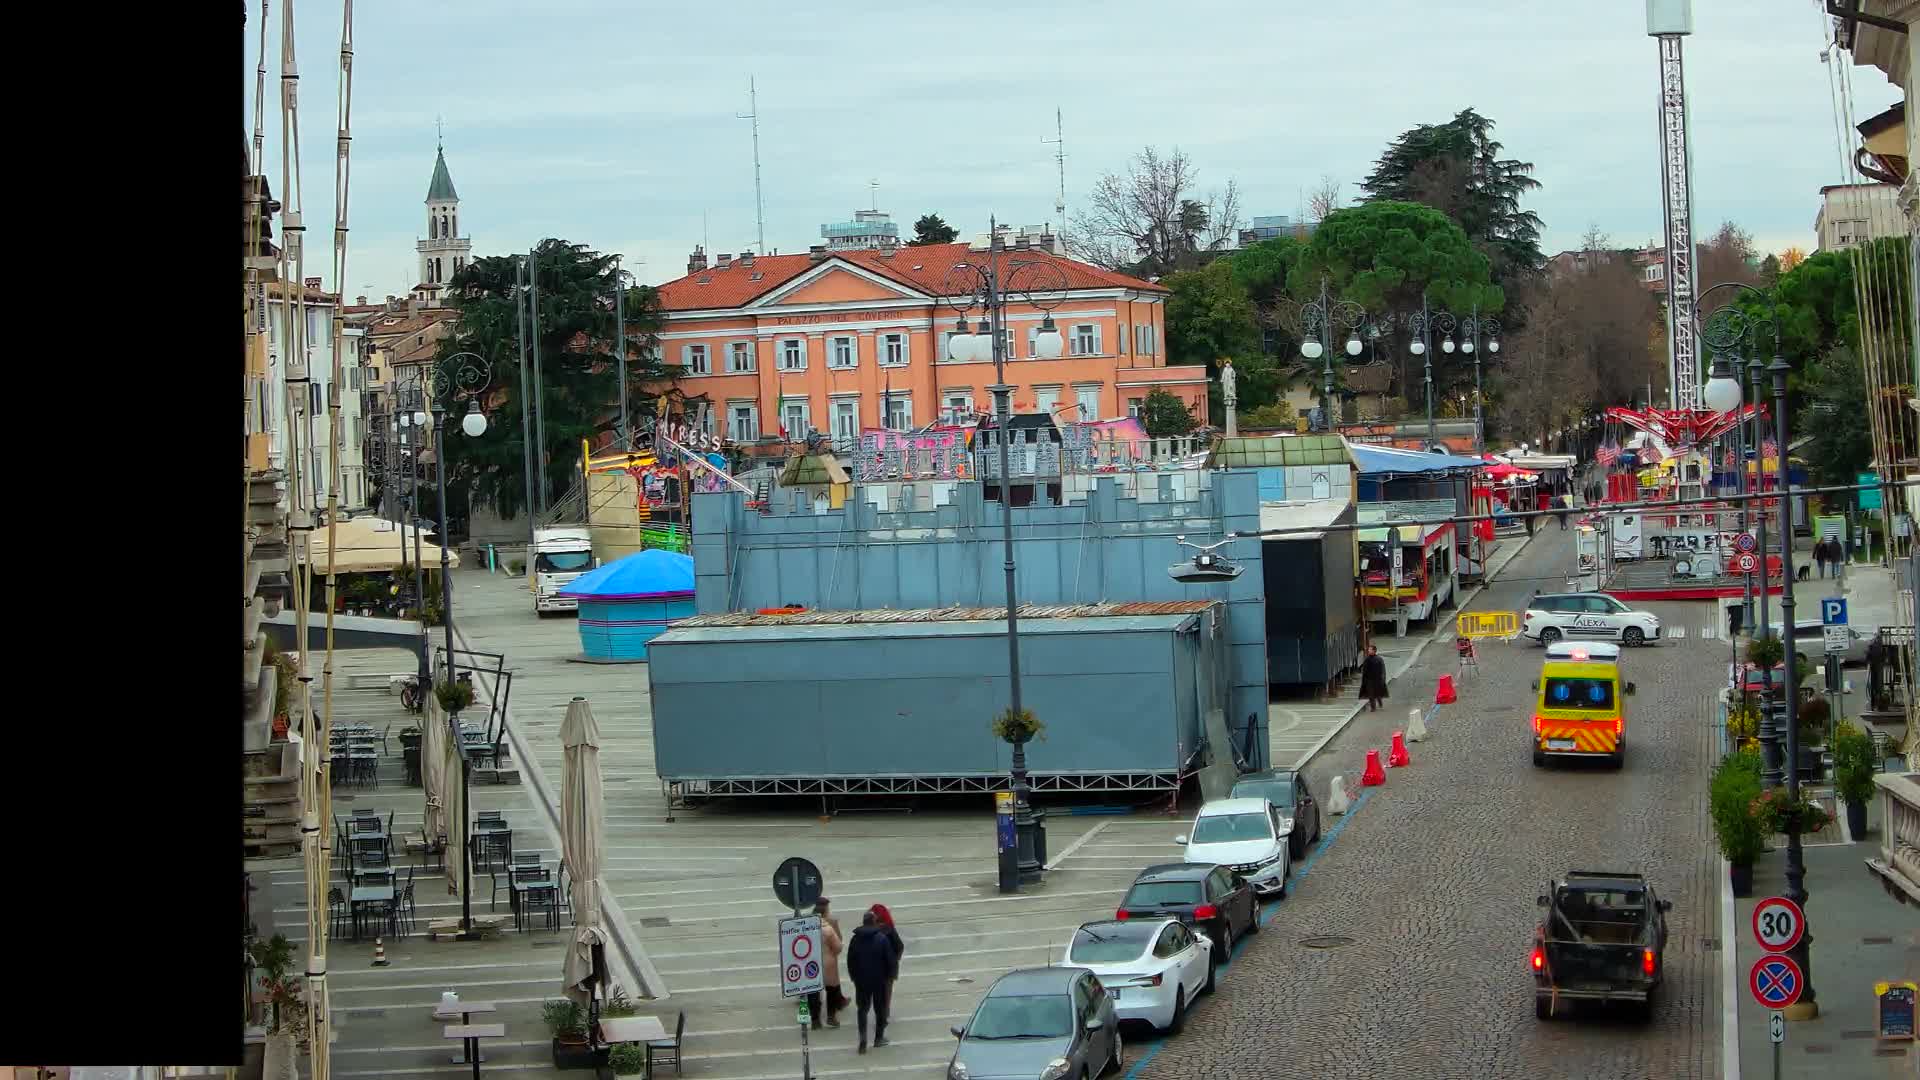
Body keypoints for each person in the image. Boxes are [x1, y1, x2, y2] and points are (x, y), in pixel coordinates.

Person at [846, 911, 899, 1053]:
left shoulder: (855, 939)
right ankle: (878, 1038)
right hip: (879, 981)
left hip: (861, 981)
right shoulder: (881, 939)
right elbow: (890, 960)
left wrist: (854, 977)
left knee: (862, 1009)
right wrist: (890, 976)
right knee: (880, 1009)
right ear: (874, 922)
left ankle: (863, 1039)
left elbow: (850, 960)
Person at [805, 897, 846, 1030]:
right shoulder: (828, 929)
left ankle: (815, 1020)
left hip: (810, 964)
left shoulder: (804, 927)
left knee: (813, 993)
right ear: (825, 912)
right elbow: (838, 947)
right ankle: (831, 1017)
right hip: (828, 964)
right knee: (832, 990)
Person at [868, 904, 905, 1022]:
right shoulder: (889, 929)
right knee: (887, 990)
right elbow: (900, 946)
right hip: (889, 967)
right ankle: (885, 1012)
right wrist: (895, 959)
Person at [1359, 644, 1388, 712]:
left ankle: (1380, 701)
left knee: (1377, 693)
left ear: (1374, 651)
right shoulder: (1367, 659)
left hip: (1377, 679)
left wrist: (1383, 678)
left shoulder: (1379, 659)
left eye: (1370, 649)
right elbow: (1365, 670)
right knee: (1370, 693)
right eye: (1369, 649)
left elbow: (1383, 669)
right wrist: (1364, 678)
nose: (1369, 650)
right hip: (1369, 679)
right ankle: (1373, 707)